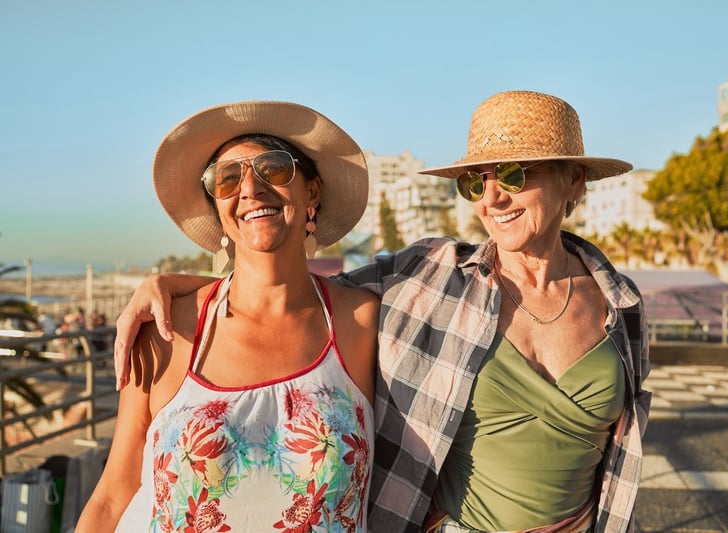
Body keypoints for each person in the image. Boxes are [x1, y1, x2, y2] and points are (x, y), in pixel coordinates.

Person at [114, 91, 651, 532]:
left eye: (513, 174)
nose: (493, 197)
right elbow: (281, 290)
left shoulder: (620, 305)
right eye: (475, 181)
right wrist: (173, 286)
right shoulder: (431, 276)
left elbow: (617, 459)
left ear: (574, 180)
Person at [77, 101, 379, 531]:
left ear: (312, 192)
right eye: (228, 179)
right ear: (218, 209)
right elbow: (112, 495)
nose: (251, 190)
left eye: (273, 169)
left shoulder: (364, 323)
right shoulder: (165, 331)